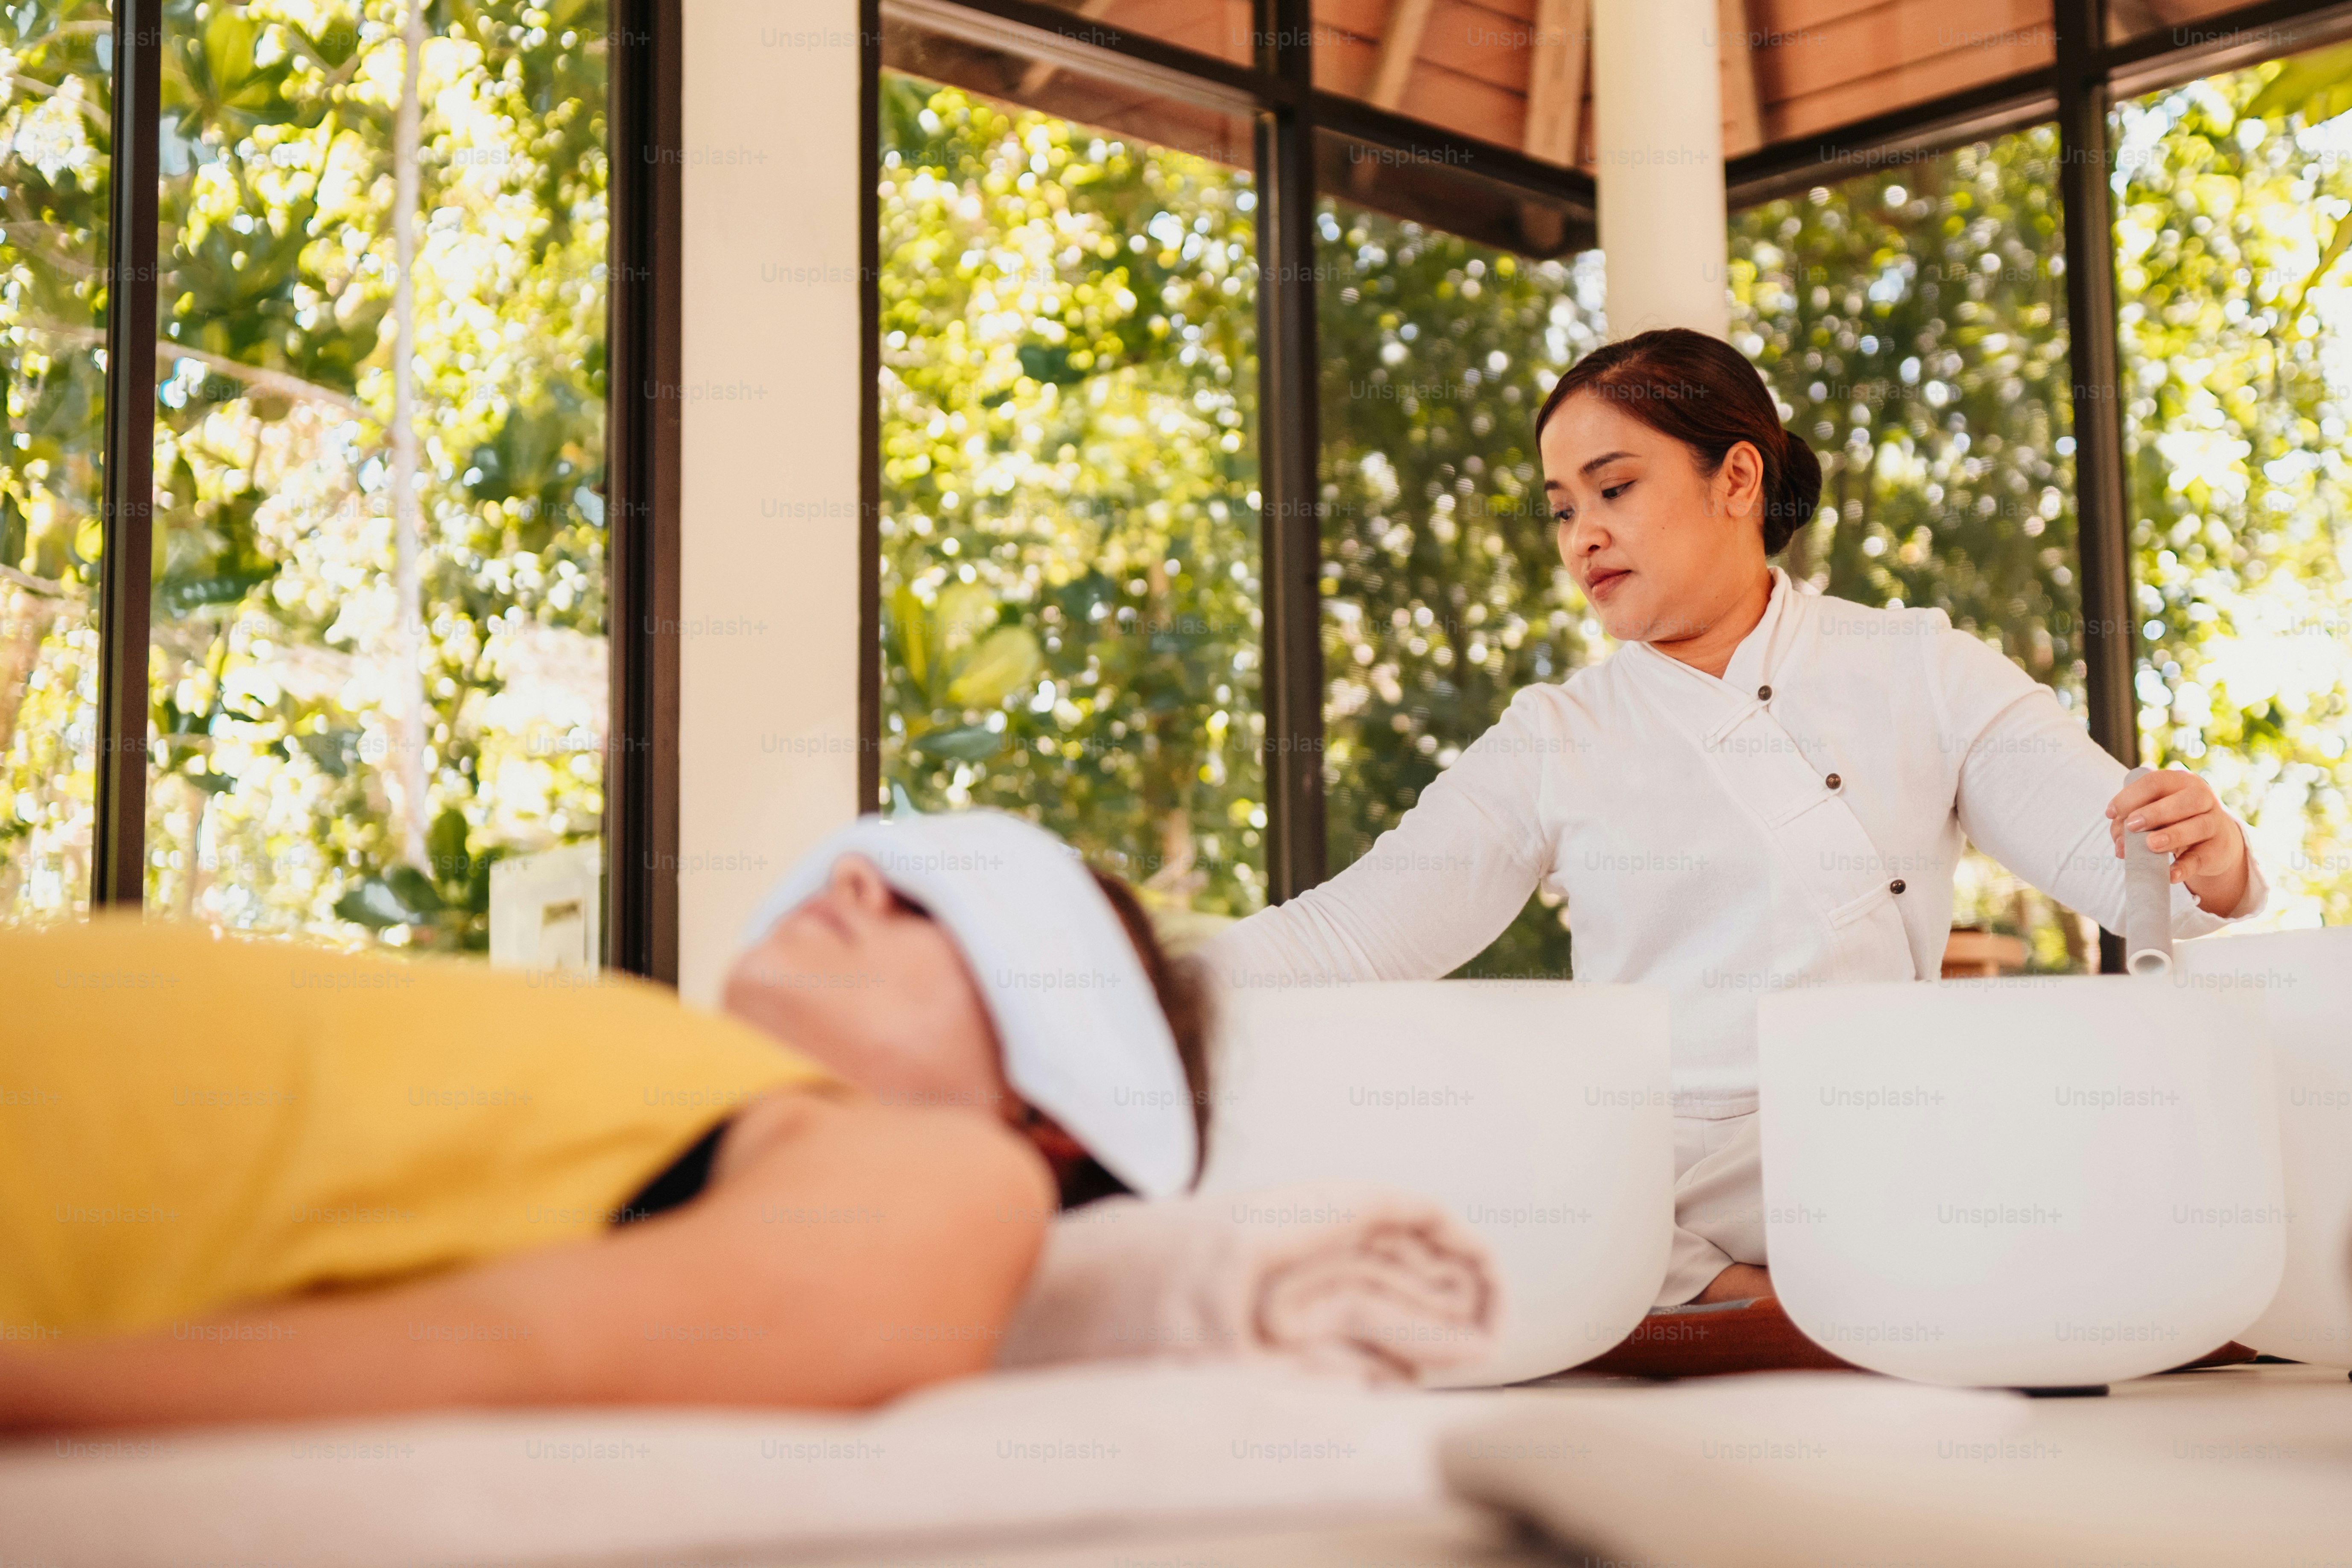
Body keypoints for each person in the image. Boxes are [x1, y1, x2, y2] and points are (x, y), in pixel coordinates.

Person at [1199, 328, 2268, 1310]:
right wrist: (1147, 981)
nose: (1584, 535)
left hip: (1884, 1141)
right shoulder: (1555, 734)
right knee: (1423, 1147)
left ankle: (1819, 1291)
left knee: (2129, 1114)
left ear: (1739, 479)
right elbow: (1349, 937)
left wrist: (2205, 851)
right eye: (1563, 507)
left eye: (1614, 487)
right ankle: (1723, 1293)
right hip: (1643, 1186)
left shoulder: (1917, 665)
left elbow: (2127, 859)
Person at [0, 810, 1210, 1429]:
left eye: (929, 908)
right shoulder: (656, 1069)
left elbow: (508, 1354)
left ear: (1046, 1113)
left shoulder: (961, 1178)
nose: (851, 876)